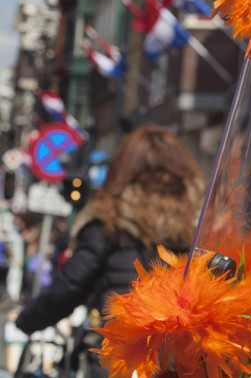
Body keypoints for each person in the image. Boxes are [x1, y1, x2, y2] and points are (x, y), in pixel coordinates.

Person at [14, 123, 207, 377]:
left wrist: (27, 321)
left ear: (122, 169)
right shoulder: (205, 221)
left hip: (122, 361)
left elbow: (70, 286)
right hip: (187, 361)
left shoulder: (110, 217)